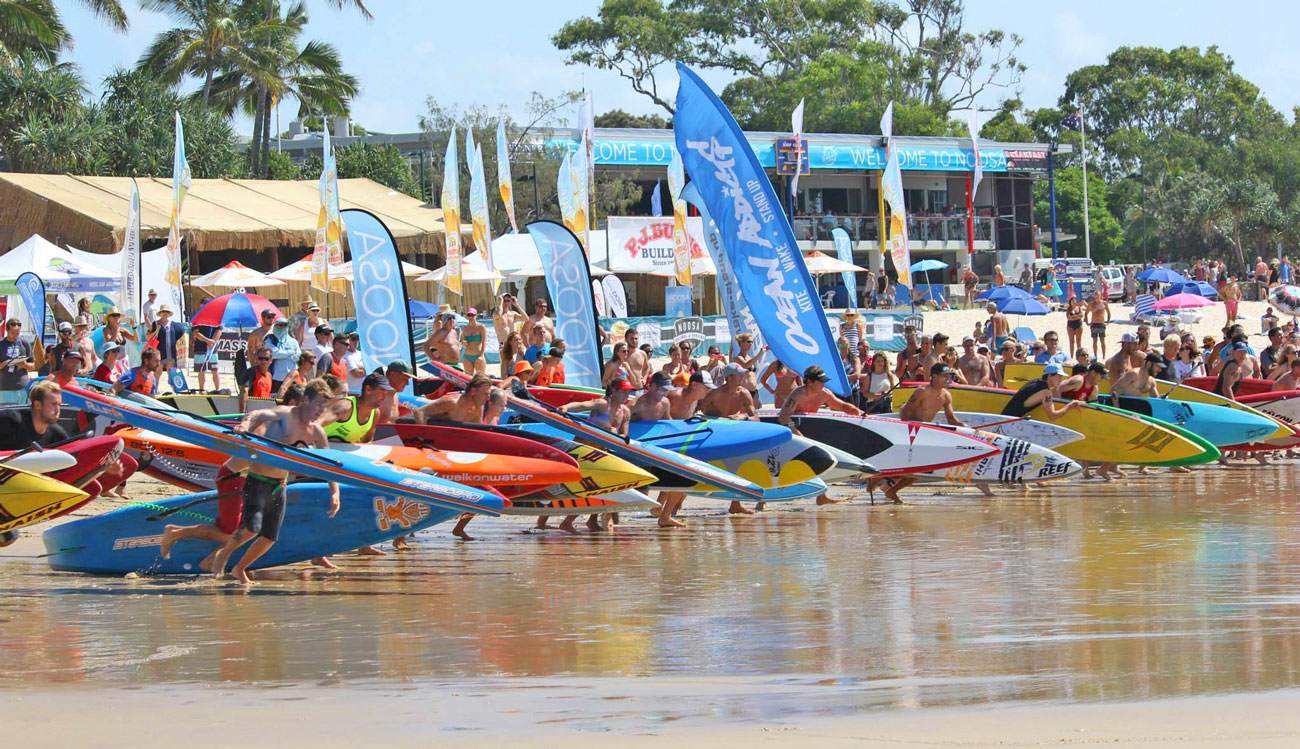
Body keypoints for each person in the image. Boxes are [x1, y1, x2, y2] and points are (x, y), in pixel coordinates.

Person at [209, 380, 339, 584]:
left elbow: (329, 464)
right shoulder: (285, 414)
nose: (320, 411)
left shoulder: (315, 432)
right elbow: (258, 414)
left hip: (280, 484)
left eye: (324, 408)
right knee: (252, 528)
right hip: (258, 479)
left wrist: (335, 493)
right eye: (318, 405)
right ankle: (223, 555)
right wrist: (245, 424)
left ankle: (239, 568)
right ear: (305, 400)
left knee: (270, 537)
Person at [882, 364, 969, 503]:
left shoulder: (946, 395)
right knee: (910, 468)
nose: (948, 379)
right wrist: (906, 435)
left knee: (920, 469)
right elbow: (906, 412)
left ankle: (889, 489)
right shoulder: (922, 391)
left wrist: (967, 429)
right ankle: (883, 488)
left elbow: (952, 419)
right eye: (944, 376)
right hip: (910, 434)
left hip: (924, 435)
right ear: (934, 377)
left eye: (949, 376)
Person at [558, 377, 635, 532]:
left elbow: (624, 437)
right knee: (574, 485)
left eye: (629, 392)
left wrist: (617, 435)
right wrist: (566, 407)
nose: (627, 395)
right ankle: (553, 521)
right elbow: (581, 405)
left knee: (599, 487)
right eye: (624, 391)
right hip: (582, 450)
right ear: (614, 390)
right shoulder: (602, 404)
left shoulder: (625, 412)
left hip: (600, 453)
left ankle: (591, 521)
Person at [629, 372, 686, 527]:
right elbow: (620, 421)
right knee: (639, 493)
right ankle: (605, 517)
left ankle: (665, 516)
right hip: (636, 452)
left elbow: (668, 424)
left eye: (667, 390)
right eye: (663, 389)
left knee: (682, 479)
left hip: (657, 449)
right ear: (652, 386)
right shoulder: (637, 404)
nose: (665, 393)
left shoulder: (665, 402)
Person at [1001, 363, 1085, 421]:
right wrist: (1071, 405)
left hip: (1004, 418)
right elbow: (1052, 416)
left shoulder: (1036, 382)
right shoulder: (1046, 392)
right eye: (1059, 376)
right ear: (1050, 376)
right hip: (1007, 422)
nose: (1061, 380)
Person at [414, 372, 493, 424]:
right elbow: (420, 412)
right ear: (473, 391)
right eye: (486, 394)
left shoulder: (478, 408)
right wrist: (424, 436)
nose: (488, 398)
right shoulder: (451, 403)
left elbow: (478, 431)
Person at [264, 317, 300, 390]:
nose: (283, 327)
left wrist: (282, 355)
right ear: (275, 326)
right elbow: (274, 354)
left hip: (292, 377)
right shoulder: (270, 339)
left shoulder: (293, 341)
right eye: (280, 325)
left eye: (285, 325)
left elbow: (298, 356)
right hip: (276, 377)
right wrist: (290, 352)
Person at [150, 304, 187, 370]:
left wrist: (175, 340)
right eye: (163, 312)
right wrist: (156, 330)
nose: (165, 313)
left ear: (169, 314)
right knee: (157, 372)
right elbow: (149, 336)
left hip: (171, 352)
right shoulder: (155, 324)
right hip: (159, 351)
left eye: (167, 312)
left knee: (171, 372)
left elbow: (182, 331)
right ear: (160, 313)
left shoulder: (174, 324)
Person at [238, 346, 274, 412]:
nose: (263, 361)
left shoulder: (269, 375)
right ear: (256, 359)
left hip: (264, 412)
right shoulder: (251, 372)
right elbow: (244, 390)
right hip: (252, 411)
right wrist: (242, 412)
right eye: (260, 358)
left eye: (266, 359)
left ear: (271, 361)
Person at [191, 322, 222, 392]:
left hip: (212, 350)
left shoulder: (215, 318)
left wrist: (212, 342)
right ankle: (201, 390)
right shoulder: (197, 319)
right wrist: (208, 341)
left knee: (215, 370)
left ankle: (217, 389)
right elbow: (196, 333)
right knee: (201, 371)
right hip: (200, 348)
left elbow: (219, 331)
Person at [461, 308, 487, 374]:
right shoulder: (465, 329)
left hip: (478, 355)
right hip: (467, 356)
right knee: (468, 378)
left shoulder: (481, 327)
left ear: (476, 315)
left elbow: (484, 343)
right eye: (468, 315)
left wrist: (481, 355)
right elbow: (463, 343)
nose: (470, 317)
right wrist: (463, 343)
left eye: (472, 315)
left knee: (480, 377)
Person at [1088, 292, 1111, 358]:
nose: (1097, 297)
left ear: (1100, 296)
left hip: (1101, 324)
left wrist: (1108, 321)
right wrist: (1087, 322)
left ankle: (1104, 355)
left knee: (1102, 340)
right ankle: (1095, 355)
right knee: (1095, 341)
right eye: (1095, 296)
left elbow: (1108, 312)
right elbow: (1086, 313)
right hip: (1094, 324)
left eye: (1098, 296)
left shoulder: (1104, 303)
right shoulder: (1091, 304)